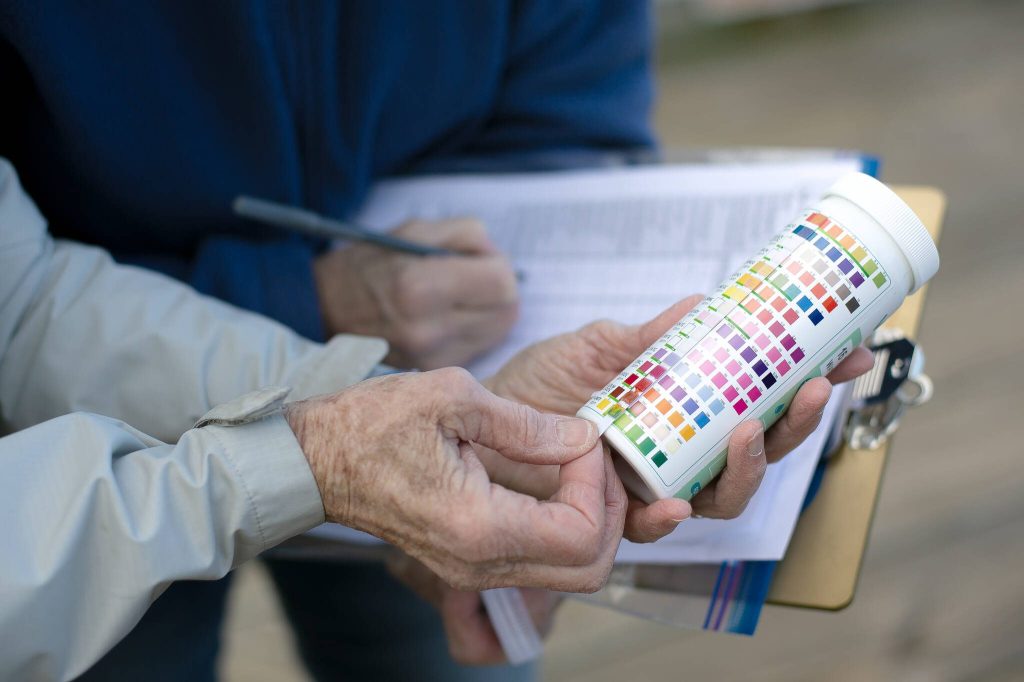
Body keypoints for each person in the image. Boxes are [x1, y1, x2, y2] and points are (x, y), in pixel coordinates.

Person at [0, 3, 872, 679]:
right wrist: (325, 434)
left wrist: (391, 408)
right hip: (81, 449)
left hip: (384, 382)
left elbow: (25, 300)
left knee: (443, 646)